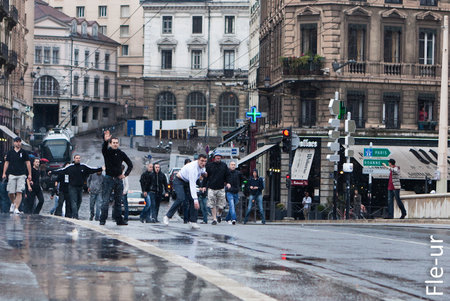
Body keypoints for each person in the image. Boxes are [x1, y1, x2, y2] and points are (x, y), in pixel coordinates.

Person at [50, 154, 102, 219]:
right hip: (72, 187)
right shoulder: (70, 167)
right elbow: (61, 171)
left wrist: (100, 169)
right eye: (76, 158)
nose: (78, 159)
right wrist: (52, 172)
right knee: (73, 201)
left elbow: (91, 169)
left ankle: (74, 213)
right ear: (74, 159)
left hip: (80, 187)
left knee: (79, 201)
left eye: (79, 158)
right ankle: (75, 216)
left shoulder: (83, 166)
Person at [163, 154, 208, 229]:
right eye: (202, 161)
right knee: (181, 198)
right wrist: (196, 200)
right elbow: (192, 184)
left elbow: (203, 172)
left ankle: (193, 221)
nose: (203, 163)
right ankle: (167, 216)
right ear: (198, 160)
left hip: (187, 181)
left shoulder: (202, 167)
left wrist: (204, 174)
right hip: (179, 181)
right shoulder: (193, 168)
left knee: (193, 200)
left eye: (205, 161)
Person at [99, 130, 133, 226]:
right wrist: (105, 141)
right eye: (113, 143)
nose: (115, 144)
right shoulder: (107, 152)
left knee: (118, 201)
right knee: (105, 201)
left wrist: (125, 174)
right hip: (108, 178)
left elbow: (130, 164)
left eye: (116, 143)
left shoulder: (121, 153)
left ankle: (119, 220)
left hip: (118, 179)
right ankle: (102, 220)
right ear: (110, 143)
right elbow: (104, 148)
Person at [2, 137, 32, 214]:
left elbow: (28, 163)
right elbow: (7, 163)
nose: (18, 143)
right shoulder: (10, 152)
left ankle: (16, 208)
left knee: (19, 191)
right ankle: (13, 203)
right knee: (10, 192)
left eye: (19, 142)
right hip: (12, 174)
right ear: (14, 143)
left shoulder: (24, 152)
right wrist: (4, 173)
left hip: (21, 174)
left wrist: (29, 174)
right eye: (17, 142)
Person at [205, 152, 230, 225]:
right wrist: (203, 186)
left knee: (221, 205)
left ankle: (219, 214)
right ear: (214, 157)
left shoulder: (224, 166)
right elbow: (206, 176)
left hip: (221, 188)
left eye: (219, 157)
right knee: (212, 204)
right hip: (211, 188)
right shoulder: (209, 165)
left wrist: (228, 183)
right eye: (217, 157)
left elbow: (227, 175)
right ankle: (214, 219)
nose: (218, 158)